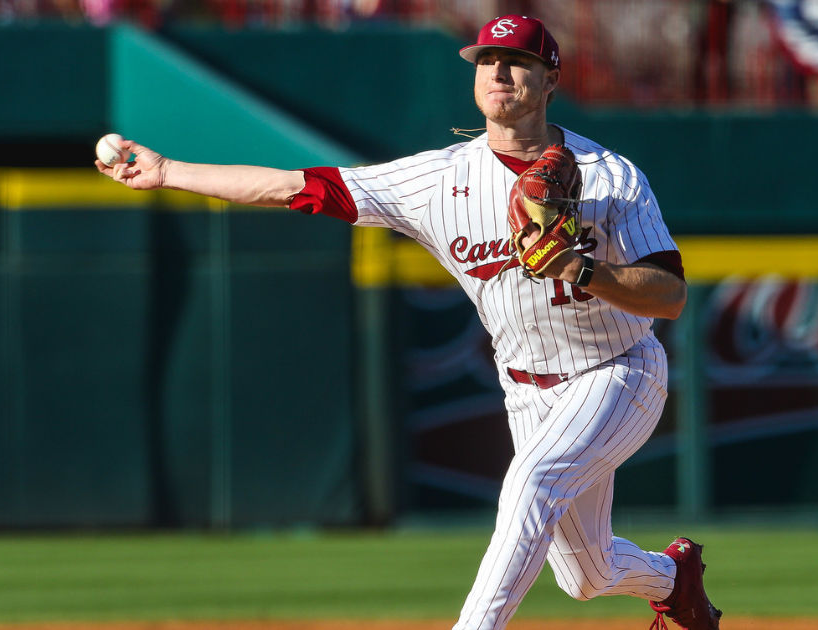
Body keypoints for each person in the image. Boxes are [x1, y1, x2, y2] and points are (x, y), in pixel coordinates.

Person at [96, 14, 721, 630]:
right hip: (525, 388)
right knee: (585, 577)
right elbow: (293, 187)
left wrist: (583, 270)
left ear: (550, 78)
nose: (498, 72)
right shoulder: (438, 179)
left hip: (617, 371)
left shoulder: (612, 178)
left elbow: (669, 295)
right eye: (486, 62)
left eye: (517, 62)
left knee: (532, 483)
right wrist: (169, 171)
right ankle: (674, 581)